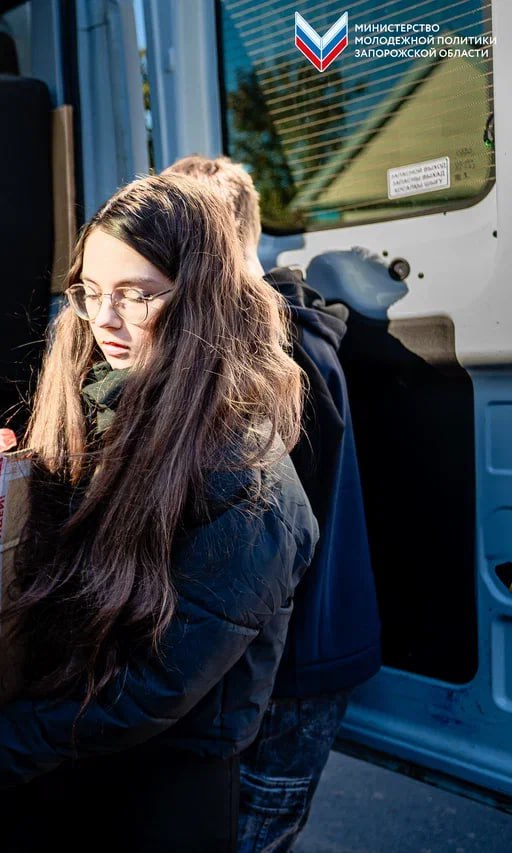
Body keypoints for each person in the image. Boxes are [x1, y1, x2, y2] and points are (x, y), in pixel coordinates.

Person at [0, 174, 319, 852]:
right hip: (62, 752)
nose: (105, 319)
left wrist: (6, 745)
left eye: (135, 295)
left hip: (158, 787)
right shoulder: (102, 403)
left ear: (199, 298)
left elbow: (160, 682)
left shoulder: (248, 474)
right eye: (90, 293)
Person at [162, 154, 382, 853]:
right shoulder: (294, 336)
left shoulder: (279, 359)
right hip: (295, 654)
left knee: (249, 829)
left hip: (291, 668)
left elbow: (263, 537)